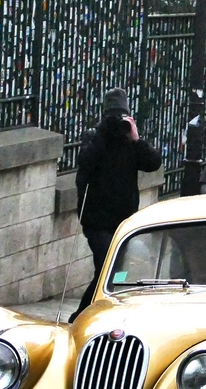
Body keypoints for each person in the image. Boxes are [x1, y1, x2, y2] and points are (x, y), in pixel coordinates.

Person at [70, 87, 162, 324]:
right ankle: (80, 316)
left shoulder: (129, 141)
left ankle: (101, 310)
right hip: (96, 219)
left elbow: (153, 163)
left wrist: (136, 138)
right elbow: (85, 163)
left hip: (123, 220)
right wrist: (103, 132)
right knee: (105, 266)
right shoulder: (94, 137)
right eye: (112, 116)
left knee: (118, 270)